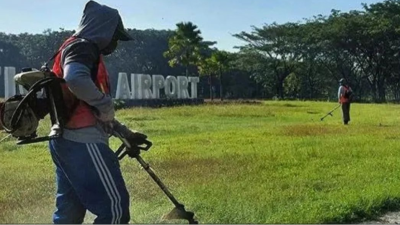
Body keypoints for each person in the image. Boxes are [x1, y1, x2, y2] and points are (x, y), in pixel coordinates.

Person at [48, 1, 134, 223]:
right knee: (114, 210)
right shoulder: (83, 47)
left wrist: (123, 131)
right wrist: (105, 104)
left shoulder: (73, 47)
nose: (115, 43)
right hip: (83, 143)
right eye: (114, 36)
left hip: (65, 141)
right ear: (103, 29)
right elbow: (75, 79)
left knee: (69, 213)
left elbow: (85, 106)